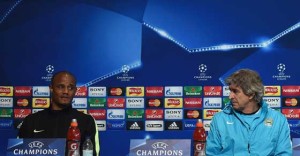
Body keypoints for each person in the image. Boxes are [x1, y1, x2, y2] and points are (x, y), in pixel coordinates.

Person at [206, 69, 292, 155]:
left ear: (251, 94)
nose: (230, 96)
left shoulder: (278, 120)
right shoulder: (220, 119)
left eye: (235, 91)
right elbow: (212, 153)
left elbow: (284, 154)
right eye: (230, 91)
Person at [18, 71, 100, 156]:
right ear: (51, 88)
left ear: (75, 91)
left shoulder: (87, 121)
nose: (66, 91)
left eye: (70, 88)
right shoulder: (31, 121)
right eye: (61, 87)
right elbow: (19, 153)